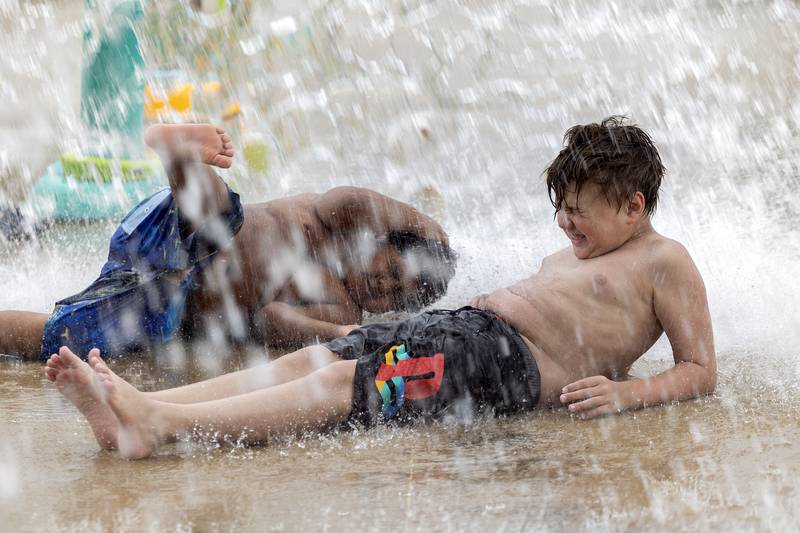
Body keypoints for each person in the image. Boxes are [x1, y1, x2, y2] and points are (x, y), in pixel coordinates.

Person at [45, 116, 715, 459]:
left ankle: (159, 427)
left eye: (580, 208)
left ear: (633, 204)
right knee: (314, 359)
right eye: (561, 206)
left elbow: (700, 370)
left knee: (345, 387)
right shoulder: (587, 247)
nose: (565, 221)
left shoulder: (664, 261)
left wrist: (628, 391)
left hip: (499, 367)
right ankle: (138, 403)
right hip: (464, 333)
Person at [0, 123, 455, 362]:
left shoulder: (342, 308)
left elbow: (273, 320)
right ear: (380, 238)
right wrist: (428, 226)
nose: (383, 284)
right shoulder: (334, 220)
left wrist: (339, 333)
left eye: (398, 294)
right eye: (393, 270)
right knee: (220, 218)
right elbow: (351, 196)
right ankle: (182, 158)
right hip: (199, 224)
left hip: (167, 290)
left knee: (66, 335)